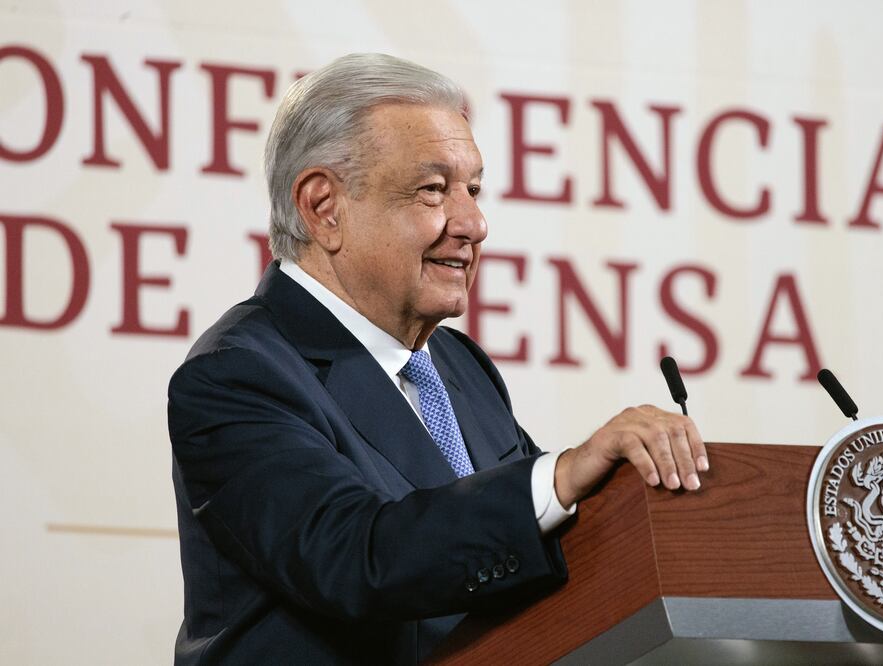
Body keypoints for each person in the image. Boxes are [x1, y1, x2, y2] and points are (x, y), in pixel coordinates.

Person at [168, 53, 708, 665]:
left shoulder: (456, 365)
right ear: (324, 208)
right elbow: (354, 557)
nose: (475, 223)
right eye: (433, 190)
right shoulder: (236, 374)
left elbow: (540, 551)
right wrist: (560, 475)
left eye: (473, 189)